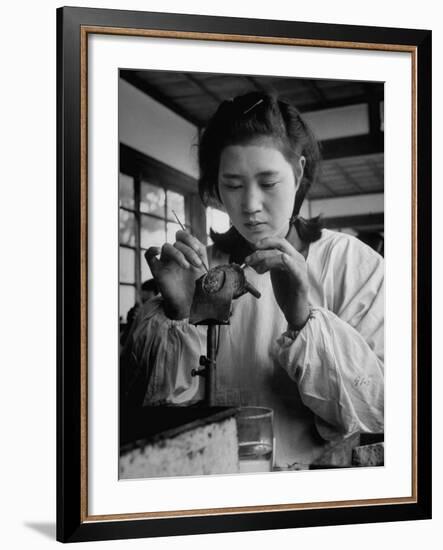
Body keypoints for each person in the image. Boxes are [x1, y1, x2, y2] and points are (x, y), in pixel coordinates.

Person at [122, 92, 384, 467]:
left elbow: (381, 412)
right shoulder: (208, 269)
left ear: (298, 172)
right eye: (232, 184)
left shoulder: (350, 263)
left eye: (268, 182)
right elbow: (159, 415)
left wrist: (301, 319)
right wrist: (181, 312)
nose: (250, 205)